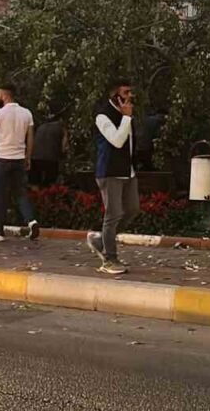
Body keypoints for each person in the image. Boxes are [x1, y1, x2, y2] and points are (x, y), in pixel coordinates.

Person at [85, 79, 140, 274]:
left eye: (130, 92)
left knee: (132, 209)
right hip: (110, 172)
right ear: (114, 96)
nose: (130, 96)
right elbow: (117, 141)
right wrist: (126, 118)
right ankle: (109, 259)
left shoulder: (126, 115)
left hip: (127, 171)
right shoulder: (103, 116)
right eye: (125, 93)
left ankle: (101, 241)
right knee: (113, 214)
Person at [0, 84, 39, 242]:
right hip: (19, 159)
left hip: (2, 158)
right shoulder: (26, 113)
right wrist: (28, 157)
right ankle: (32, 221)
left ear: (4, 95)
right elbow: (30, 138)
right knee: (20, 193)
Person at [30, 108, 68, 188]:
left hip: (35, 158)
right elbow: (64, 147)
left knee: (35, 183)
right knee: (50, 184)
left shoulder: (41, 127)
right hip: (51, 159)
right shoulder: (62, 128)